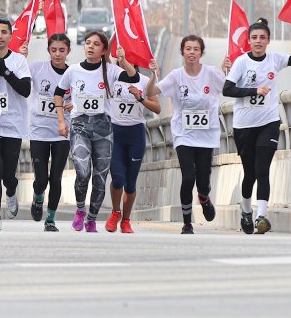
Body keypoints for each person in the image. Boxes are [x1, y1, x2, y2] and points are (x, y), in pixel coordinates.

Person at [223, 18, 291, 235]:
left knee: (263, 169)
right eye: (254, 37)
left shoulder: (275, 60)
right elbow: (227, 89)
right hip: (244, 125)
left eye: (262, 37)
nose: (258, 41)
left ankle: (261, 217)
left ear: (268, 40)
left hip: (269, 122)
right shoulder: (241, 62)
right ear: (248, 40)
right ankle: (246, 210)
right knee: (250, 174)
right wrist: (253, 91)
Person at [53, 32, 136, 232]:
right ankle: (80, 209)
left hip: (103, 128)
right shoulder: (73, 70)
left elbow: (132, 76)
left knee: (100, 176)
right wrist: (61, 121)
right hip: (80, 126)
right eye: (88, 43)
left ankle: (92, 218)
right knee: (82, 171)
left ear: (103, 50)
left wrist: (123, 60)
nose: (90, 47)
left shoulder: (111, 70)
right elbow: (58, 93)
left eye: (96, 44)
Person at [146, 36, 228, 234]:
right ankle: (187, 222)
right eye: (188, 48)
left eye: (196, 49)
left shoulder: (211, 73)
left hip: (206, 135)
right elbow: (151, 92)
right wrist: (151, 75)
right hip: (183, 134)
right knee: (188, 176)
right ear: (182, 52)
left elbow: (229, 87)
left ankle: (204, 197)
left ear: (201, 53)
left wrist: (227, 69)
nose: (192, 52)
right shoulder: (176, 76)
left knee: (203, 181)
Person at [0, 18, 31, 232]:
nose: (0, 36)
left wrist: (5, 71)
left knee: (8, 174)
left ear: (10, 36)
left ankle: (11, 191)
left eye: (4, 32)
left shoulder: (19, 61)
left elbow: (25, 90)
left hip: (12, 124)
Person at [103, 54, 160, 234]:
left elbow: (157, 108)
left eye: (126, 57)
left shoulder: (143, 81)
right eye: (120, 58)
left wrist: (141, 98)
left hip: (135, 134)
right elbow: (105, 53)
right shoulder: (113, 76)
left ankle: (126, 221)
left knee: (130, 183)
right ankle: (115, 213)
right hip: (115, 132)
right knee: (117, 178)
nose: (121, 60)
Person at [25, 33, 73, 232]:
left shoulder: (74, 73)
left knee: (56, 177)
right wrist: (21, 57)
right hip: (39, 131)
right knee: (42, 179)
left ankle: (51, 219)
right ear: (48, 51)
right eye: (54, 50)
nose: (58, 54)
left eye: (62, 50)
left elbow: (85, 95)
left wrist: (73, 104)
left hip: (62, 132)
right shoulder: (37, 68)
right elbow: (17, 74)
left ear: (68, 51)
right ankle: (38, 198)